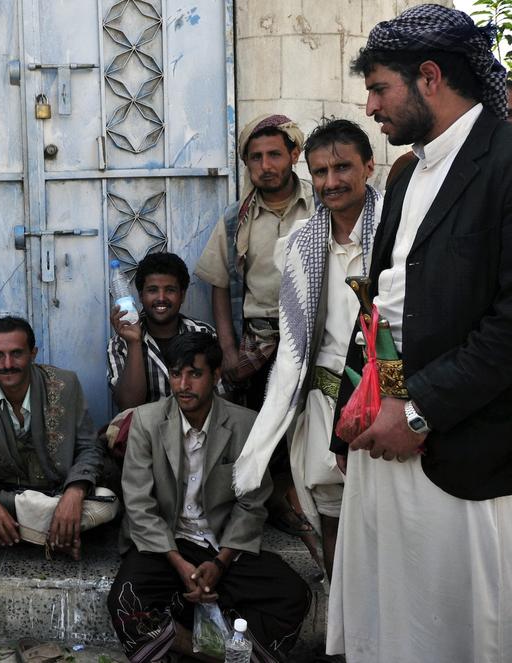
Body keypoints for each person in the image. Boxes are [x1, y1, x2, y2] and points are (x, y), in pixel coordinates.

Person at [328, 6, 512, 662]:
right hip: (381, 434)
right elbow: (379, 304)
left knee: (452, 633)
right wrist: (352, 414)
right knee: (390, 626)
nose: (370, 106)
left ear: (429, 77)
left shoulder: (505, 162)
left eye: (380, 88)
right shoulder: (407, 171)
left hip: (461, 448)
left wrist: (418, 410)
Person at [233, 119, 382, 579]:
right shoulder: (300, 244)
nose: (331, 181)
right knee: (332, 519)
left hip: (385, 400)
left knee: (387, 520)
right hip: (325, 401)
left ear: (369, 167)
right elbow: (297, 337)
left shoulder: (397, 233)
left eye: (342, 168)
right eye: (320, 172)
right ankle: (341, 620)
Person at [107, 332, 311, 663]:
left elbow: (251, 503)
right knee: (125, 601)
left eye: (195, 374)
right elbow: (140, 506)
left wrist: (219, 563)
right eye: (176, 374)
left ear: (216, 376)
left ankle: (214, 642)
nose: (183, 385)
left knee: (293, 594)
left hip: (222, 544)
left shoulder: (245, 424)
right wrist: (180, 564)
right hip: (165, 544)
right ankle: (213, 653)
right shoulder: (146, 421)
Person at [0, 316, 116, 560]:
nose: (7, 364)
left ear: (33, 353)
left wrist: (74, 493)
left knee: (107, 502)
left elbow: (89, 447)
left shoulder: (65, 384)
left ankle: (0, 532)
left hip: (54, 496)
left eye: (16, 353)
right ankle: (54, 536)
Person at [193, 113, 314, 407]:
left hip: (315, 338)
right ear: (246, 162)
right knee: (259, 422)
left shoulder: (320, 207)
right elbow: (220, 284)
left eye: (275, 155)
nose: (266, 166)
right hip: (260, 343)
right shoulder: (235, 220)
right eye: (256, 157)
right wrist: (228, 349)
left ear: (294, 155)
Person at [107, 252, 215, 409]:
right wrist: (134, 342)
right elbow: (129, 406)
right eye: (153, 290)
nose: (161, 298)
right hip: (146, 425)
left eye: (170, 290)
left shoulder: (204, 334)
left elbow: (221, 398)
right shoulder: (120, 343)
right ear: (141, 296)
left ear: (182, 295)